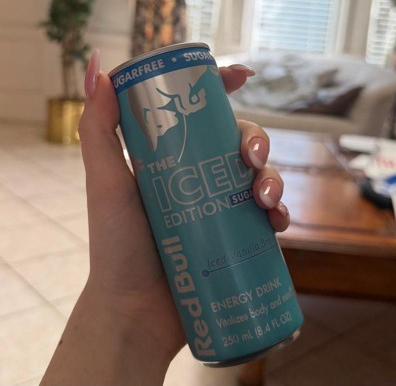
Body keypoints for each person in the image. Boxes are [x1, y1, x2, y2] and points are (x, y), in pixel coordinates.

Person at [40, 50, 289, 386]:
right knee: (205, 179)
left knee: (222, 175)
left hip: (249, 295)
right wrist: (121, 305)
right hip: (188, 295)